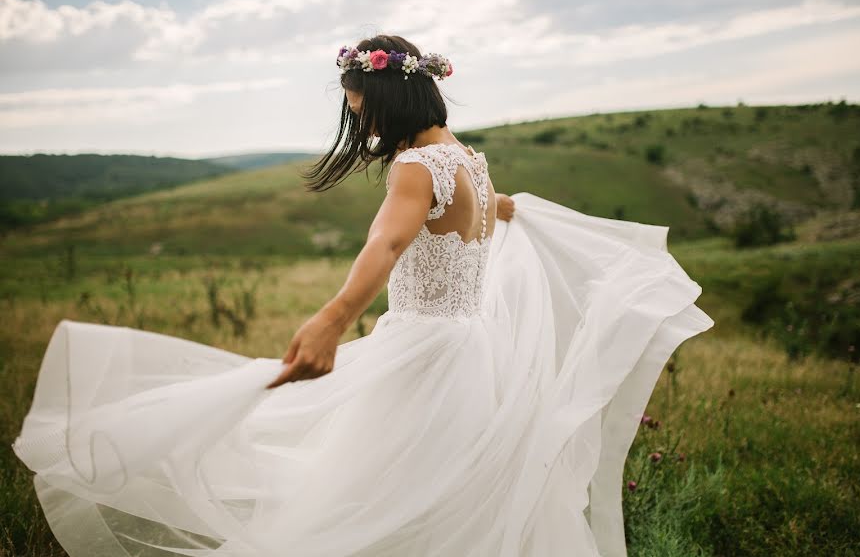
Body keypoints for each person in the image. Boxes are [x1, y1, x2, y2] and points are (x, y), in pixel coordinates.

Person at [12, 34, 714, 557]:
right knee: (433, 489)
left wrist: (330, 321)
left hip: (422, 351)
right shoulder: (469, 157)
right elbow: (494, 210)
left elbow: (386, 246)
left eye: (362, 109)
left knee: (357, 488)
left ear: (389, 97)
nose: (364, 127)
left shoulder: (414, 166)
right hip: (473, 351)